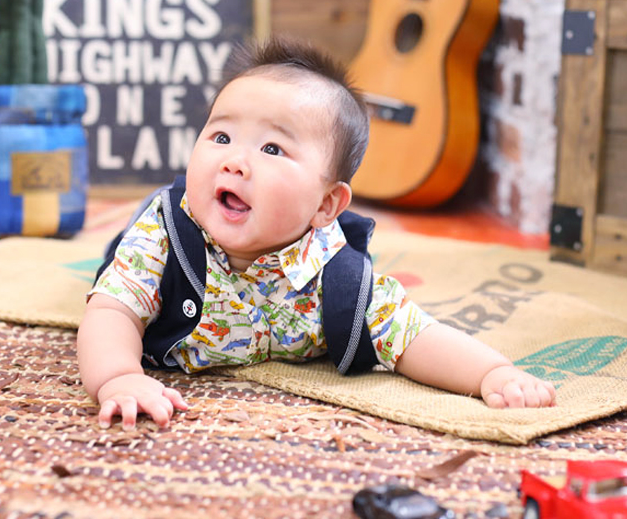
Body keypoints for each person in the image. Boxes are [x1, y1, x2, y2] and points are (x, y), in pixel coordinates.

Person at [77, 37, 557, 430]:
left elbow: (415, 337)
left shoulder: (339, 277)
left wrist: (493, 373)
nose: (234, 161)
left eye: (271, 148)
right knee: (123, 255)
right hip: (166, 233)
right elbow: (113, 312)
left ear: (326, 205)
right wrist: (118, 377)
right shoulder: (163, 235)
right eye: (221, 137)